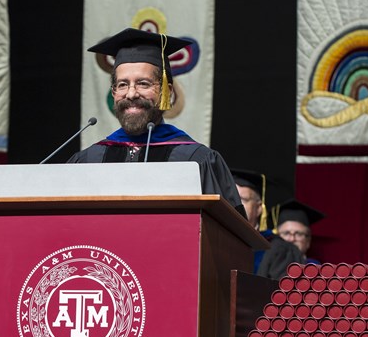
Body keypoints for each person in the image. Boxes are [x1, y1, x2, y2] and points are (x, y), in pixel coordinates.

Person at [68, 28, 244, 216]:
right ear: (114, 93)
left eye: (143, 83)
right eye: (122, 84)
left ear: (166, 91)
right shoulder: (87, 161)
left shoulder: (196, 160)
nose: (131, 93)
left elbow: (228, 236)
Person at [257, 199, 325, 280]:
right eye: (286, 233)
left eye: (299, 234)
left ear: (308, 241)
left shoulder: (316, 268)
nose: (292, 239)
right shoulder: (262, 262)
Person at [230, 169, 274, 273]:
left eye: (243, 199)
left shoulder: (275, 248)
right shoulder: (218, 239)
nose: (236, 204)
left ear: (259, 208)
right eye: (231, 198)